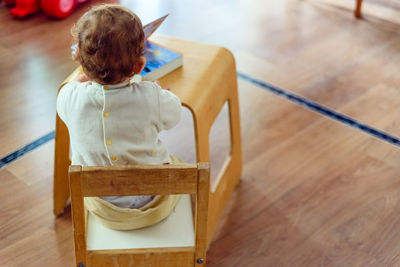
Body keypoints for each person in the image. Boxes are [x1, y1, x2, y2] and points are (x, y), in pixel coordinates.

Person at [57, 4, 182, 230]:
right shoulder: (152, 97)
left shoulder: (69, 97)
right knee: (176, 161)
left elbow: (70, 88)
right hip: (150, 202)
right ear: (140, 66)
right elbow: (175, 116)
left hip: (100, 203)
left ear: (80, 62)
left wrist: (81, 78)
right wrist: (157, 91)